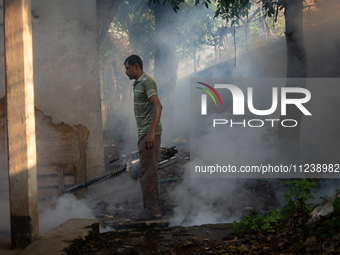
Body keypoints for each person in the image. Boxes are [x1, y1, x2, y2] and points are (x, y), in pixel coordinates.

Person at [124, 55, 163, 220]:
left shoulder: (147, 82)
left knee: (147, 172)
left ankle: (152, 212)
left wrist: (151, 133)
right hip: (144, 133)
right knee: (146, 171)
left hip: (149, 134)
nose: (126, 71)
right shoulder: (138, 83)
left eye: (128, 68)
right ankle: (152, 209)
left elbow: (158, 105)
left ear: (136, 67)